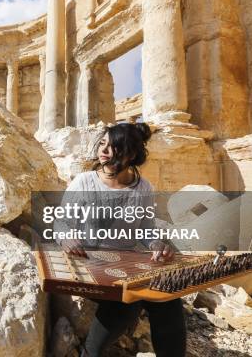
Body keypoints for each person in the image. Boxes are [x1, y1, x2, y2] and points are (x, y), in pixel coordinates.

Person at [54, 122, 186, 357]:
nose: (104, 150)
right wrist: (66, 238)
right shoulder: (85, 182)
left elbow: (145, 229)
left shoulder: (143, 188)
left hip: (125, 263)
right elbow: (61, 222)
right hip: (89, 264)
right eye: (102, 143)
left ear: (131, 153)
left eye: (113, 146)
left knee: (168, 298)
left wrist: (156, 245)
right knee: (127, 300)